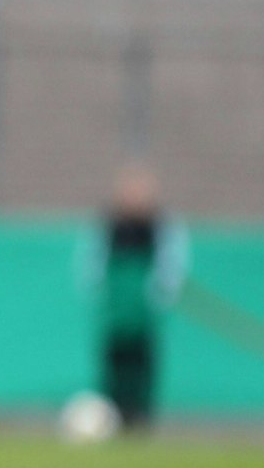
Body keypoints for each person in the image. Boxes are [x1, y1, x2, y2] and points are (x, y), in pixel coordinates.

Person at [77, 164, 188, 432]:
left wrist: (164, 292)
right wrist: (98, 293)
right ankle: (112, 416)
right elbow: (92, 264)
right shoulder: (108, 224)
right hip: (116, 311)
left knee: (143, 364)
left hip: (144, 311)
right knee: (114, 363)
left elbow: (171, 263)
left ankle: (141, 418)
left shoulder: (160, 225)